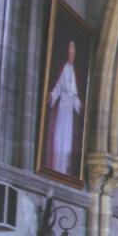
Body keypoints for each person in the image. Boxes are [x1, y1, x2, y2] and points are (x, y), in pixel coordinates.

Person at [45, 40, 82, 174]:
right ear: (67, 54)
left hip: (71, 107)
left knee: (68, 139)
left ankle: (64, 170)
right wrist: (52, 96)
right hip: (62, 107)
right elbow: (58, 87)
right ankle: (56, 168)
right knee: (59, 136)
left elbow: (76, 95)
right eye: (70, 53)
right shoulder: (64, 69)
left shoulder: (74, 71)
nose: (71, 56)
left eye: (74, 54)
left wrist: (79, 106)